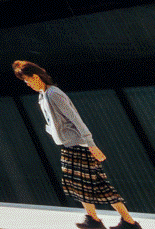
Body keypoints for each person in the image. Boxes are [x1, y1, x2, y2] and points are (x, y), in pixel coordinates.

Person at [14, 61, 140, 229]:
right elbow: (56, 121)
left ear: (36, 77)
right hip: (69, 146)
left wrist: (91, 144)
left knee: (86, 185)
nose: (27, 84)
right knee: (87, 185)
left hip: (78, 146)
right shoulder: (43, 95)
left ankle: (106, 221)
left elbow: (75, 119)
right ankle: (110, 221)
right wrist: (52, 130)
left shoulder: (53, 94)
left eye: (28, 80)